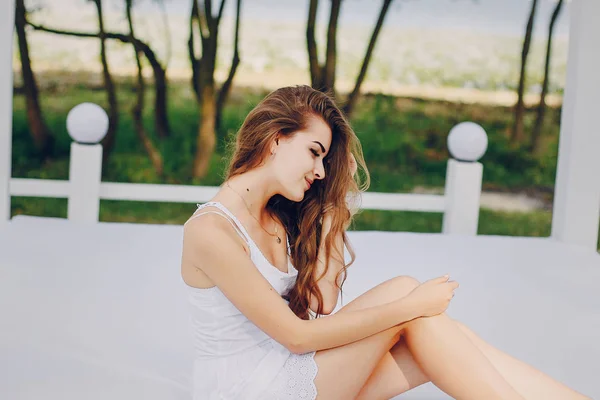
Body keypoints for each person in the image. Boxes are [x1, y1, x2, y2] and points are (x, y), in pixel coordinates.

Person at [180, 85, 590, 400]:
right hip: (250, 388)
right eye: (315, 152)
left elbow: (321, 304)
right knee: (412, 308)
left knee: (439, 332)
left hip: (290, 368)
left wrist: (334, 207)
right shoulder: (211, 231)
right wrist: (409, 309)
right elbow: (298, 336)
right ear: (275, 139)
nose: (320, 170)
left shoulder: (277, 215)